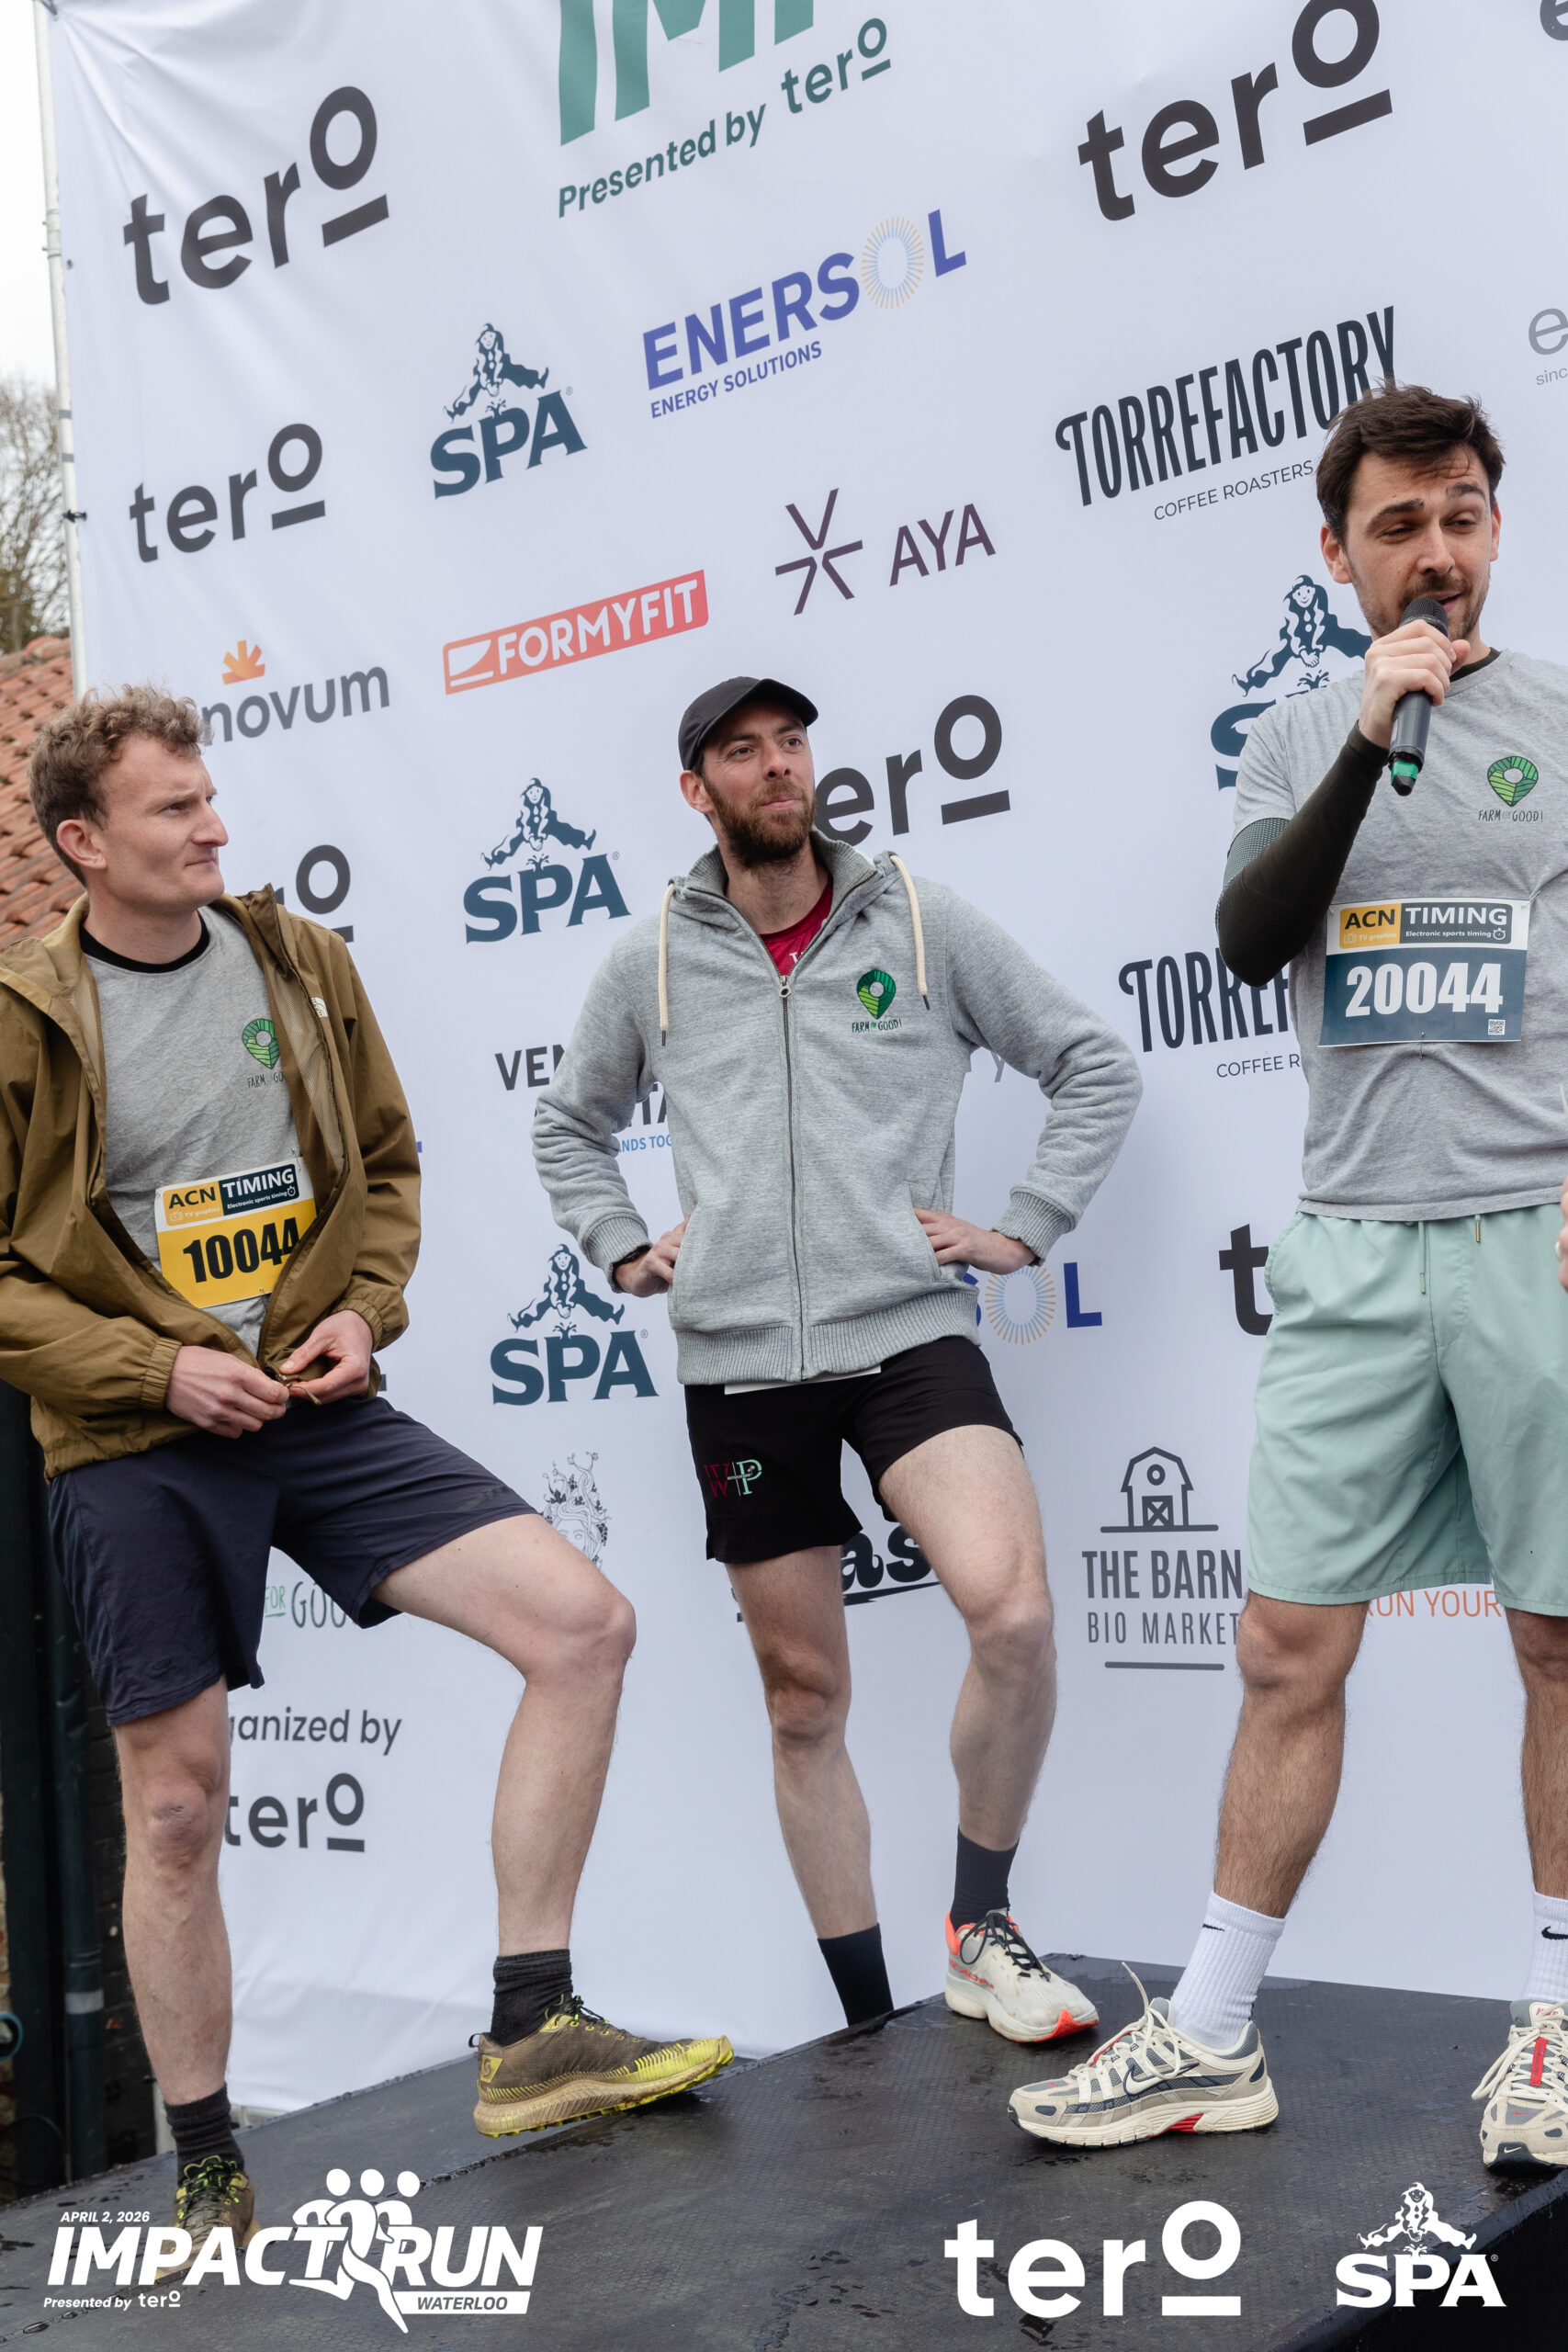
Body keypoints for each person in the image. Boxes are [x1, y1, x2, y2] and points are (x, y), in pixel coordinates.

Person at [4, 690, 728, 2271]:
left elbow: (384, 1169)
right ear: (81, 843)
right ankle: (208, 2167)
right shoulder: (20, 1015)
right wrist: (155, 1369)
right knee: (175, 1808)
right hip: (134, 1436)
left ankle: (531, 2032)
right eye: (172, 809)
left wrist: (362, 1311)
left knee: (582, 1626)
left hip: (315, 1406)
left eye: (207, 795)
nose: (212, 826)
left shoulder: (301, 963)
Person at [1010, 383, 1568, 2169]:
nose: (1436, 552)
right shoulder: (1295, 736)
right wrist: (1369, 730)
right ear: (1338, 554)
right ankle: (1209, 2029)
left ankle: (1558, 2025)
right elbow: (1253, 942)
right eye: (1399, 525)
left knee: (1557, 1641)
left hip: (1536, 1234)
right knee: (1281, 1642)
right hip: (1351, 1244)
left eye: (1462, 516)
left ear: (1496, 531)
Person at [533, 675, 1141, 2039]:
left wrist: (1023, 1227)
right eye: (743, 751)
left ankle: (981, 1927)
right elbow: (568, 1122)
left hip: (907, 1331)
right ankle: (869, 2027)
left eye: (792, 742)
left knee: (1015, 1616)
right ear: (697, 791)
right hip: (743, 1368)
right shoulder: (651, 960)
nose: (777, 767)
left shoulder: (917, 920)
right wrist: (620, 1245)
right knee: (805, 1702)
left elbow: (1091, 1063)